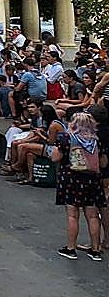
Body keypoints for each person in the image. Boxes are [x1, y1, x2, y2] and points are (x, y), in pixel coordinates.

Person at [52, 111, 104, 261]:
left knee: (72, 215)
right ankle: (95, 250)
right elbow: (103, 162)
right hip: (92, 180)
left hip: (72, 179)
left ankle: (71, 248)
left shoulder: (66, 138)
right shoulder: (96, 141)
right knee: (93, 216)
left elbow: (56, 157)